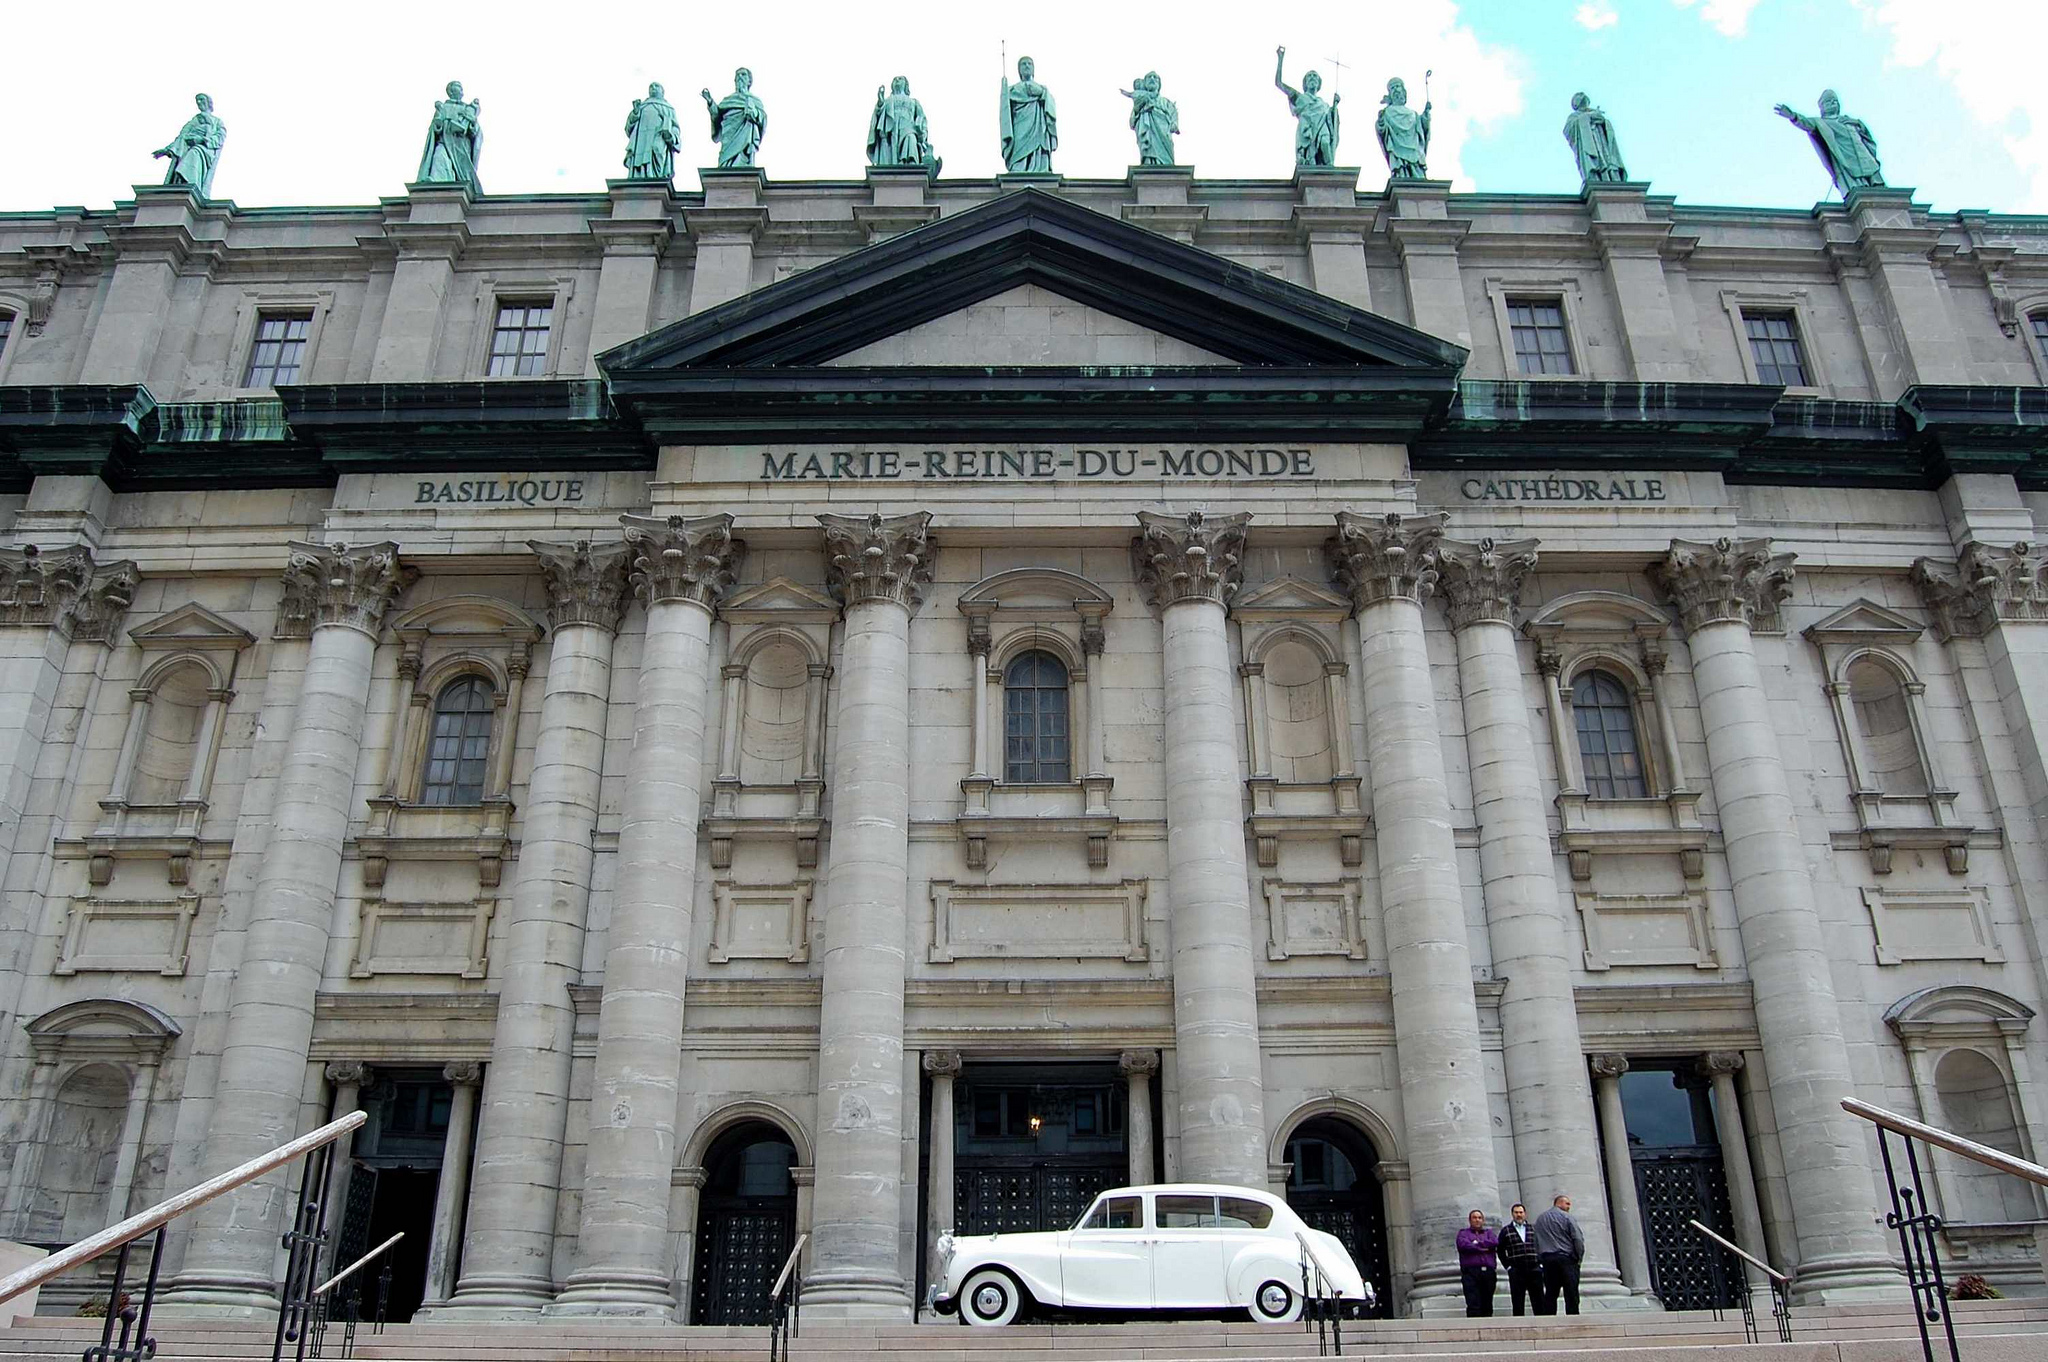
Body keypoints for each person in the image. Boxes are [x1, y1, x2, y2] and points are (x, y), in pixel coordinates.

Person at [1774, 89, 1883, 194]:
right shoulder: (1821, 123)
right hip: (1845, 160)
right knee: (1858, 187)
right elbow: (1805, 123)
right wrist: (1792, 116)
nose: (1833, 103)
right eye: (1828, 101)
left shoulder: (1850, 121)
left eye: (1835, 101)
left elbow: (1866, 138)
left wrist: (1859, 125)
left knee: (1877, 185)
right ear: (1822, 107)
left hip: (1866, 158)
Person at [1274, 47, 1340, 167]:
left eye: (1315, 76)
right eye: (1309, 77)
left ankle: (1330, 170)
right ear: (1305, 84)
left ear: (1319, 84)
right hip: (1307, 129)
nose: (1312, 78)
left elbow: (1331, 119)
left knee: (1325, 143)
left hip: (1321, 126)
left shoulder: (1323, 103)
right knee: (1311, 156)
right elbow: (1279, 83)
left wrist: (1335, 106)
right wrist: (1280, 59)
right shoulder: (1299, 97)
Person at [153, 93, 226, 198]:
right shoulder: (193, 121)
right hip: (186, 146)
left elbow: (220, 138)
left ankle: (188, 183)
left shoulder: (217, 122)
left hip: (204, 149)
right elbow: (181, 137)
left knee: (194, 153)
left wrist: (202, 140)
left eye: (201, 100)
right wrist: (166, 150)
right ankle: (180, 183)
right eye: (198, 101)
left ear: (208, 102)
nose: (199, 102)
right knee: (188, 154)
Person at [416, 82, 482, 194]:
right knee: (438, 156)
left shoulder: (467, 109)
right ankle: (436, 181)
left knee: (463, 172)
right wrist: (439, 123)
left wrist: (471, 123)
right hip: (444, 142)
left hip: (461, 146)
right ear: (451, 92)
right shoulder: (443, 107)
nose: (461, 91)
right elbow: (436, 127)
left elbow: (475, 131)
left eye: (461, 89)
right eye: (458, 88)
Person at [1000, 56, 1057, 173]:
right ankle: (1020, 166)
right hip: (1020, 126)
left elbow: (1050, 107)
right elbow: (1006, 112)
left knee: (1038, 148)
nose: (1027, 66)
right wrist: (1004, 93)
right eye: (1023, 64)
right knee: (1019, 152)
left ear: (1033, 69)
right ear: (1019, 70)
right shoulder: (1012, 90)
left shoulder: (1042, 89)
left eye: (1029, 64)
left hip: (1038, 127)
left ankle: (1040, 166)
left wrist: (1042, 94)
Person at [703, 69, 767, 169]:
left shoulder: (755, 101)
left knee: (743, 158)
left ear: (749, 81)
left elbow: (762, 119)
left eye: (743, 75)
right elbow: (717, 116)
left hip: (745, 133)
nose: (740, 77)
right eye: (737, 76)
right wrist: (710, 102)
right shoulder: (728, 100)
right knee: (725, 161)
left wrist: (753, 112)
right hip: (729, 136)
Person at [1533, 1193, 1585, 1315]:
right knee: (1571, 1292)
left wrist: (1540, 1257)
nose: (1569, 1206)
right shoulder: (1567, 1217)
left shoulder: (1540, 1219)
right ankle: (1572, 1319)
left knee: (1551, 1293)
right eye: (1567, 1203)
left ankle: (1549, 1318)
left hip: (1547, 1259)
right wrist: (1578, 1256)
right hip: (1566, 1258)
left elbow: (1536, 1240)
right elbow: (1577, 1238)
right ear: (1559, 1203)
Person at [1562, 92, 1627, 184]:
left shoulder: (1595, 113)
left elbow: (1608, 130)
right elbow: (1568, 130)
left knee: (1609, 160)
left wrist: (1603, 121)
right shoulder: (1574, 117)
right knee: (1594, 161)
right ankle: (1596, 177)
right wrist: (1589, 117)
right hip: (1590, 143)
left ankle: (1612, 176)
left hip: (1602, 142)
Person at [623, 83, 681, 182]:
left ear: (662, 92)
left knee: (657, 150)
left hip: (659, 136)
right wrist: (635, 113)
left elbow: (675, 128)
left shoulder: (668, 109)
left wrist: (671, 136)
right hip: (642, 141)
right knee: (640, 158)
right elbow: (629, 128)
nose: (653, 88)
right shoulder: (642, 106)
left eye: (656, 86)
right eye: (651, 86)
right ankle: (640, 176)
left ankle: (656, 178)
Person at [1496, 1202, 1542, 1316]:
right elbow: (1500, 1250)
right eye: (1516, 1212)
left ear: (1525, 1214)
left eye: (1521, 1212)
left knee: (1539, 1300)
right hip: (1516, 1270)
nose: (1519, 1215)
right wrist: (1508, 1267)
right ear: (1512, 1214)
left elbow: (1541, 1246)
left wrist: (1541, 1264)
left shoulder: (1534, 1229)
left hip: (1534, 1269)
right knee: (1517, 1301)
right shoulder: (1506, 1231)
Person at [1456, 1209, 1498, 1317]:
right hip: (1470, 1272)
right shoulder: (1463, 1233)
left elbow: (1494, 1242)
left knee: (1487, 1302)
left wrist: (1477, 1245)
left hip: (1488, 1272)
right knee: (1473, 1302)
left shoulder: (1489, 1233)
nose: (1477, 1220)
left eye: (1479, 1218)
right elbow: (1464, 1245)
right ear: (1470, 1220)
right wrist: (1483, 1247)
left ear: (1483, 1220)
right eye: (1474, 1218)